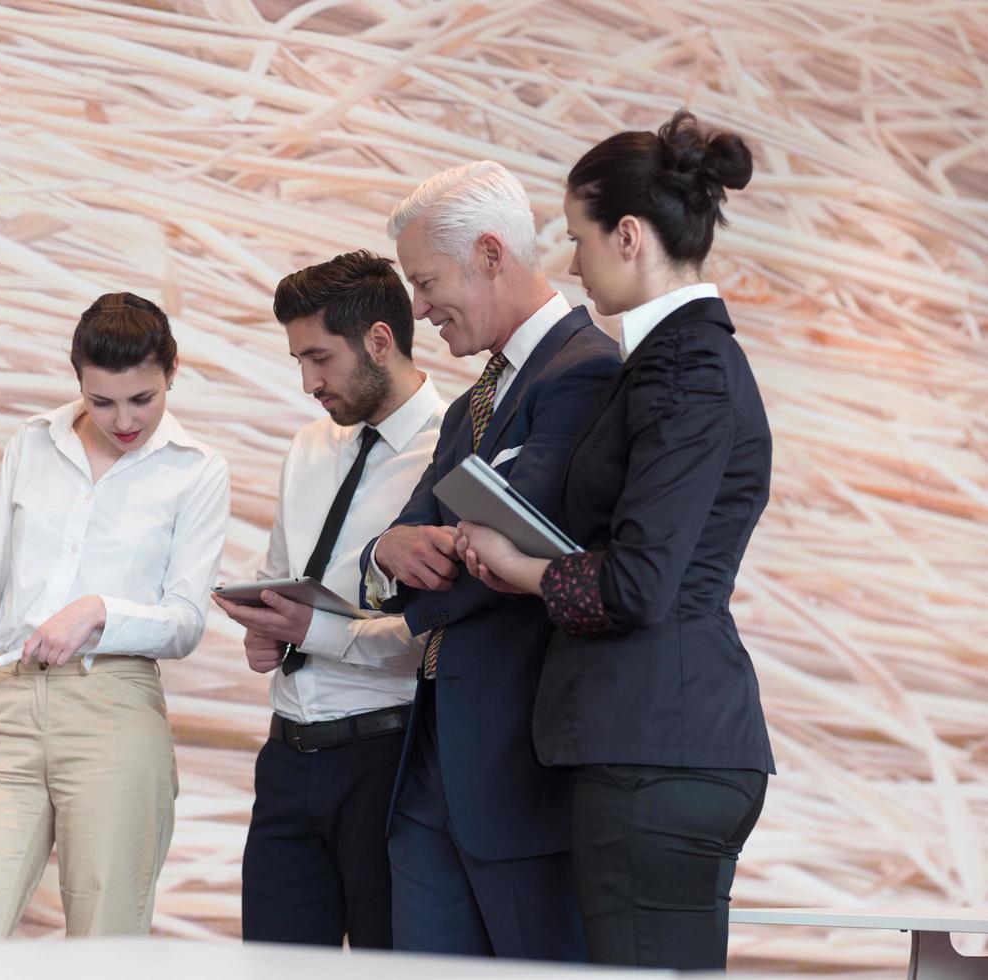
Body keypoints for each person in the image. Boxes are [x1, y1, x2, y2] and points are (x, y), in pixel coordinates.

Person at [455, 110, 775, 969]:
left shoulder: (684, 367)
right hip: (665, 741)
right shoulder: (682, 360)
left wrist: (518, 565)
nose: (569, 263)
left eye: (576, 238)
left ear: (627, 236)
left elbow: (635, 585)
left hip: (654, 745)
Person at [358, 161, 620, 959]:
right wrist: (384, 551)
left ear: (490, 253)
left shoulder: (586, 373)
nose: (416, 307)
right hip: (434, 761)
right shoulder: (481, 394)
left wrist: (426, 563)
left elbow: (517, 547)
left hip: (515, 768)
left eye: (426, 280)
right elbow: (412, 534)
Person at [0, 292, 230, 939]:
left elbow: (184, 622)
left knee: (105, 944)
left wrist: (100, 612)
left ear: (170, 374)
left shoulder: (198, 471)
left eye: (142, 399)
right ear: (78, 382)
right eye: (102, 401)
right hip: (5, 711)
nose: (123, 419)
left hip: (113, 712)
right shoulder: (31, 445)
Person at [212, 250, 445, 949]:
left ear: (379, 340)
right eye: (297, 360)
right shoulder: (310, 444)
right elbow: (283, 570)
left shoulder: (453, 447)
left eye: (319, 357)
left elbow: (440, 628)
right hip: (286, 756)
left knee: (387, 961)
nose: (309, 382)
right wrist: (266, 626)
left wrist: (315, 630)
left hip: (389, 756)